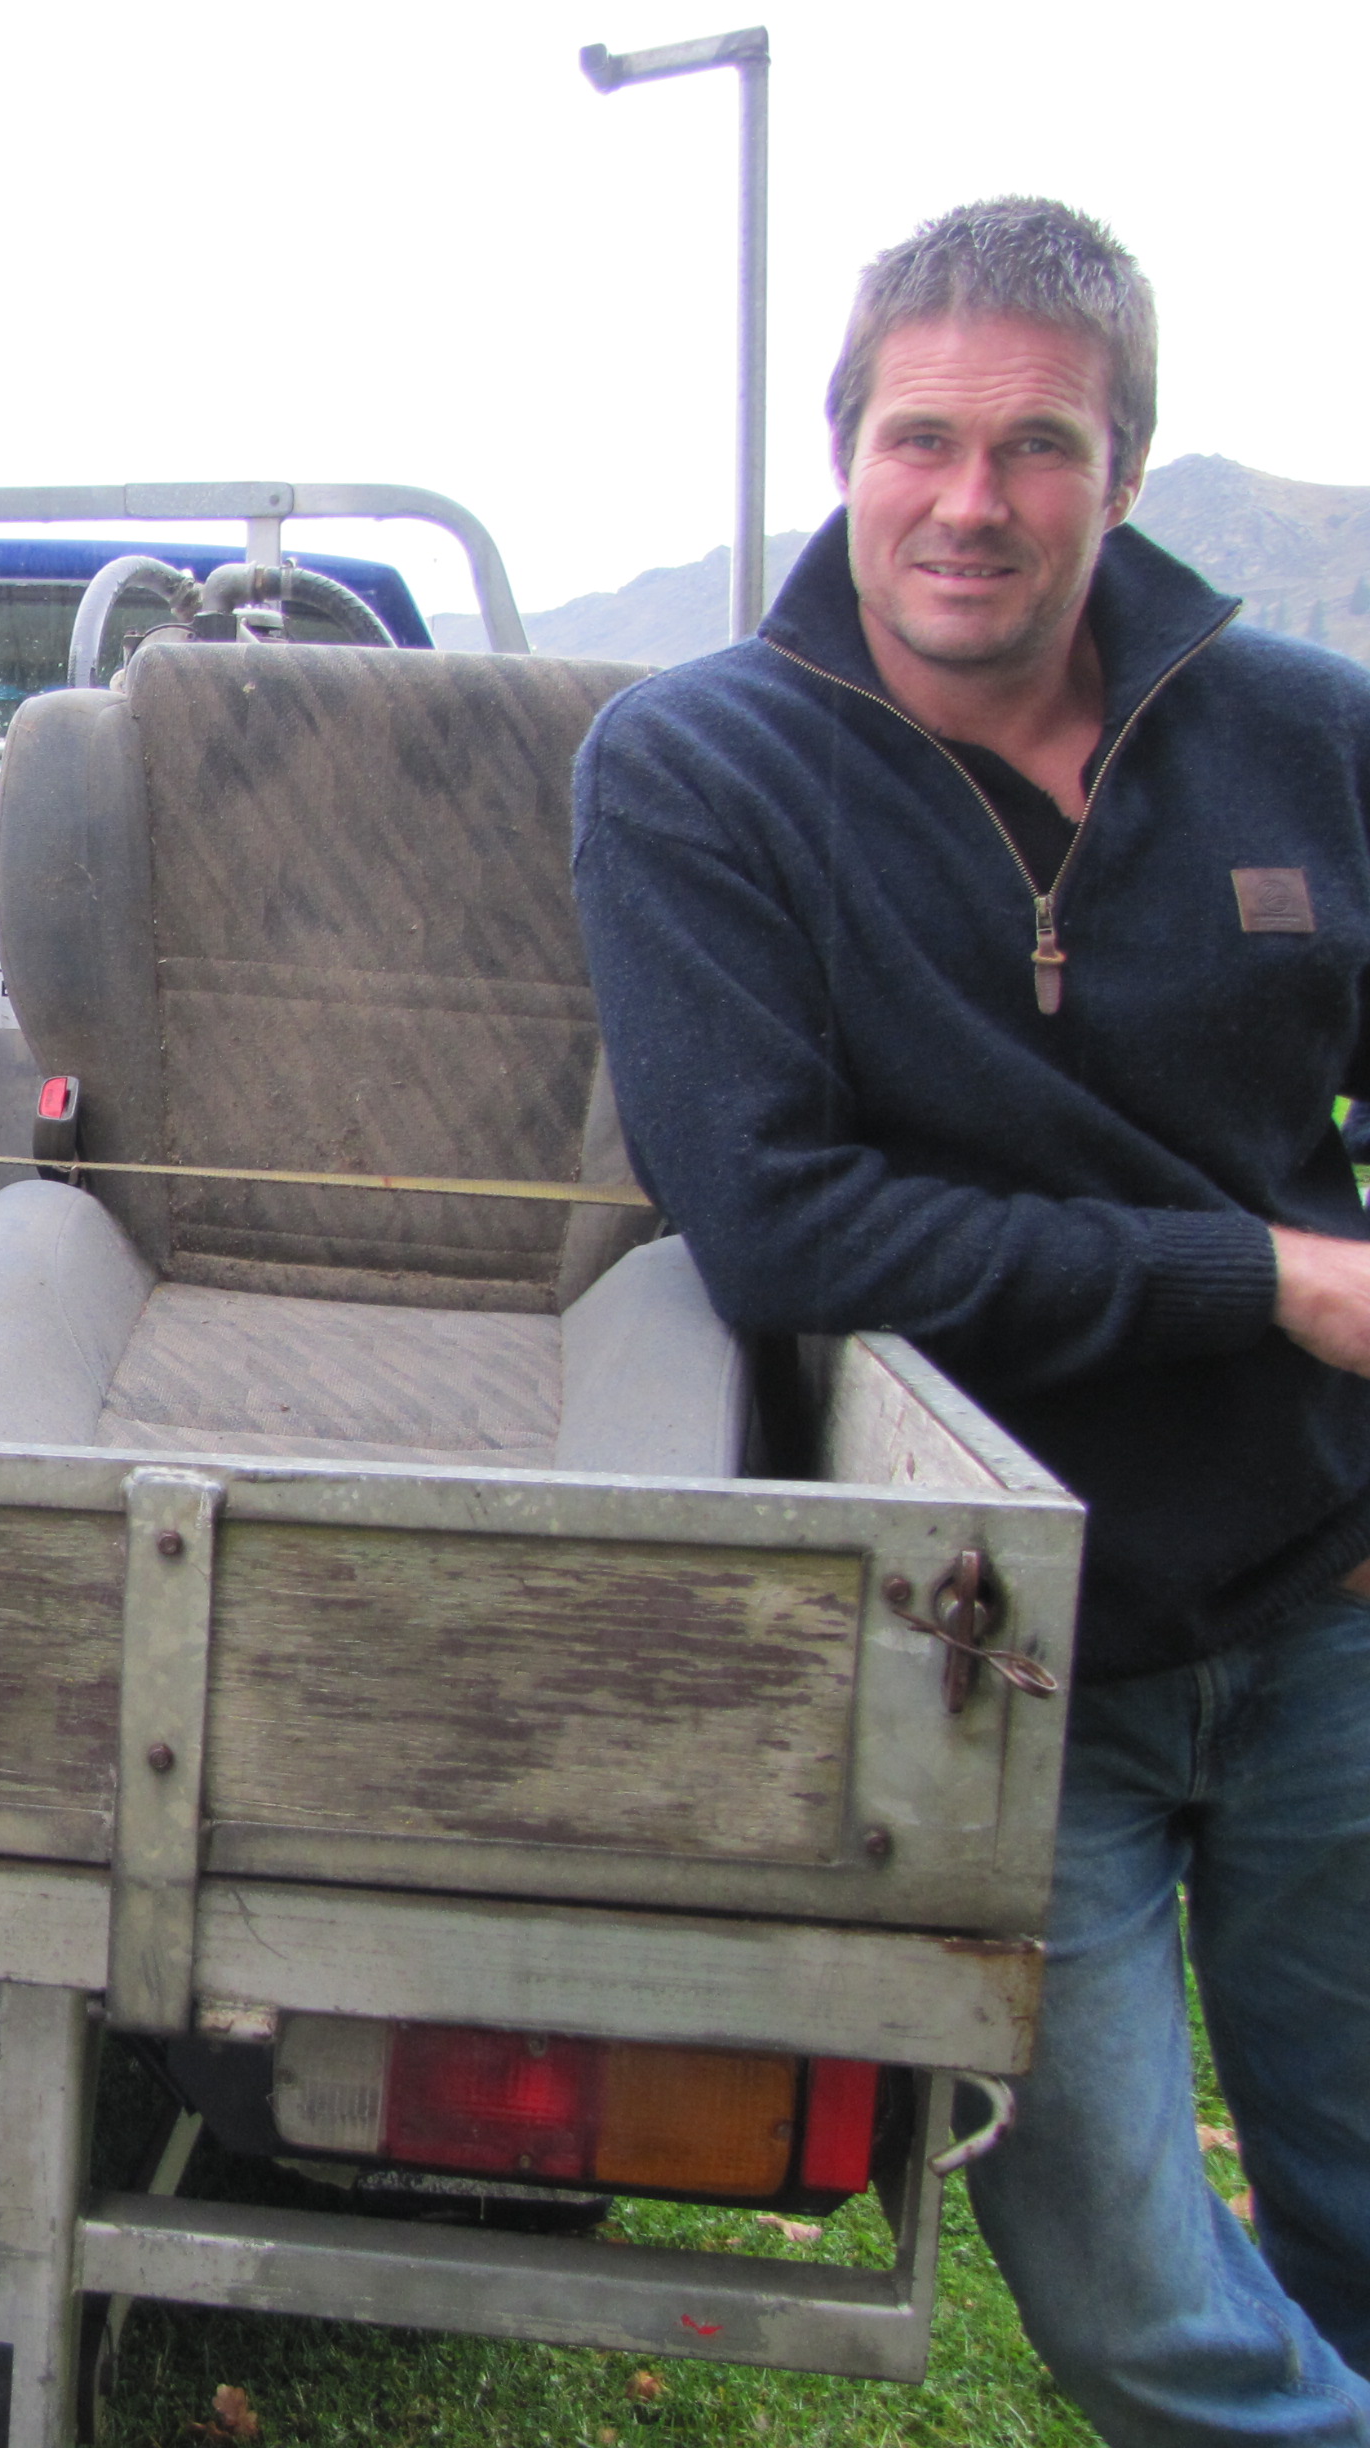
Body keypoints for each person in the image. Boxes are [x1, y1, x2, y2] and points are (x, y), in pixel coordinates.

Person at [575, 195, 1370, 2443]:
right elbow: (787, 1232)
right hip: (1002, 1651)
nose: (973, 500)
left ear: (1125, 467)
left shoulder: (1313, 740)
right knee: (1139, 2309)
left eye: (1041, 445)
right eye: (923, 436)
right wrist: (1268, 1275)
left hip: (1331, 1607)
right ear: (845, 448)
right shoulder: (699, 769)